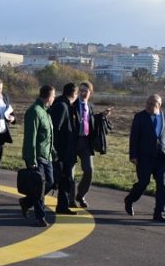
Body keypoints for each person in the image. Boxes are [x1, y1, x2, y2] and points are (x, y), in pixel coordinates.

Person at [124, 94, 165, 222]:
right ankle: (130, 199)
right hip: (144, 157)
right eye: (147, 103)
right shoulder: (140, 117)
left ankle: (159, 213)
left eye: (152, 104)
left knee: (161, 186)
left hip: (161, 157)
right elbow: (134, 138)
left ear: (159, 105)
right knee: (143, 183)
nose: (148, 106)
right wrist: (133, 155)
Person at [20, 85, 56, 227]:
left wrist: (53, 153)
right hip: (37, 156)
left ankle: (26, 202)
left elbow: (48, 137)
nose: (54, 99)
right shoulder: (34, 112)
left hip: (47, 156)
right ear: (48, 97)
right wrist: (31, 159)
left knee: (50, 182)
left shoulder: (46, 112)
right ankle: (39, 217)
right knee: (39, 186)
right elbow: (31, 138)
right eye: (53, 96)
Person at [72, 81, 108, 209]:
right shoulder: (72, 104)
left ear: (90, 93)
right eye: (80, 91)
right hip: (73, 142)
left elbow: (91, 119)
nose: (82, 93)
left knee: (89, 170)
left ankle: (81, 195)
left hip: (86, 142)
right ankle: (71, 199)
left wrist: (102, 116)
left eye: (85, 91)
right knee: (70, 172)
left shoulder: (90, 106)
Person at [49, 82, 79, 215]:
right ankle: (29, 201)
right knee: (56, 180)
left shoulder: (64, 105)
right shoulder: (62, 106)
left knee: (64, 179)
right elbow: (55, 129)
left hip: (66, 151)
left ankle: (63, 205)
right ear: (74, 94)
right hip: (62, 152)